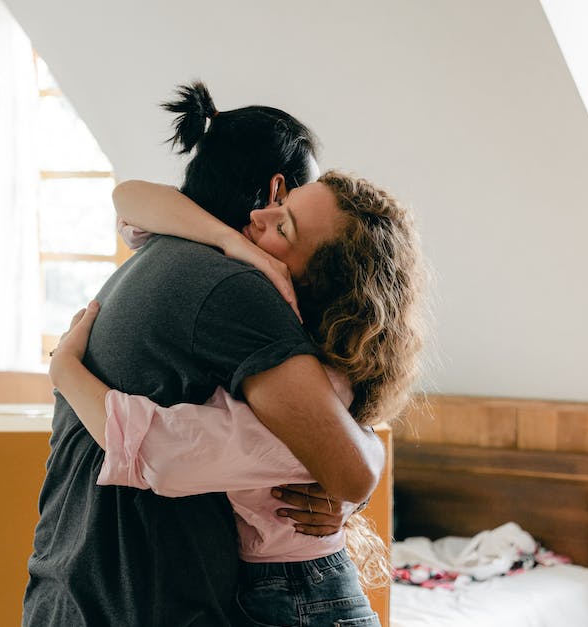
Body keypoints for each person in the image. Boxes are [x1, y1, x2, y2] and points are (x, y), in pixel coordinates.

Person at [22, 82, 386, 626]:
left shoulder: (158, 253)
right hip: (140, 599)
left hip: (66, 583)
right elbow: (351, 469)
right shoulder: (236, 288)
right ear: (276, 188)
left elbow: (131, 197)